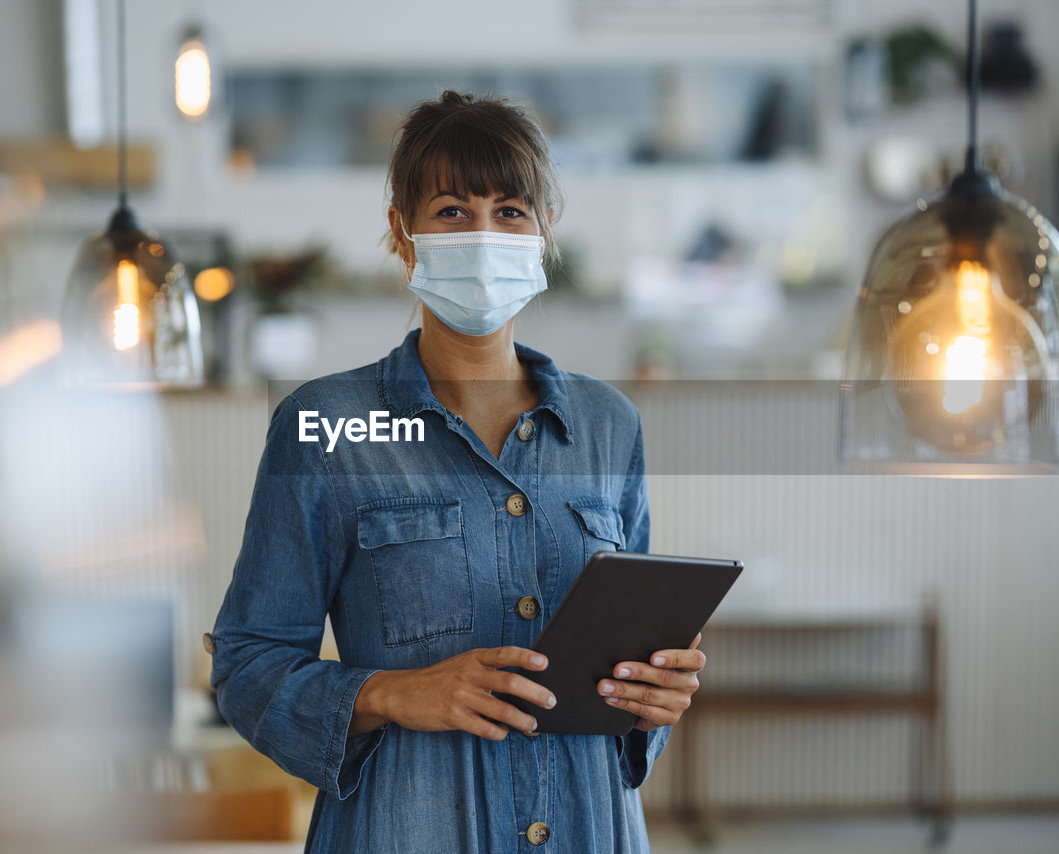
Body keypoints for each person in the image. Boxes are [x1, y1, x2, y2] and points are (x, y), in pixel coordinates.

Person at [209, 90, 705, 853]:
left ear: (543, 236)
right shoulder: (324, 426)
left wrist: (653, 700)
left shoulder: (609, 426)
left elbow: (628, 684)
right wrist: (392, 692)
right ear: (403, 238)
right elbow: (247, 666)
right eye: (450, 211)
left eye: (510, 211)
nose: (483, 233)